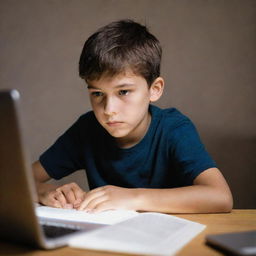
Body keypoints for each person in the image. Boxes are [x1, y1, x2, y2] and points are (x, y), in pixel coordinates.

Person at [33, 19, 233, 214]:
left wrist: (132, 198)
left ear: (154, 90)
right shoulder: (86, 129)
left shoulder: (174, 129)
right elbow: (16, 180)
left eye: (123, 92)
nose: (109, 109)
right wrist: (45, 191)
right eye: (97, 94)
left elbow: (220, 197)